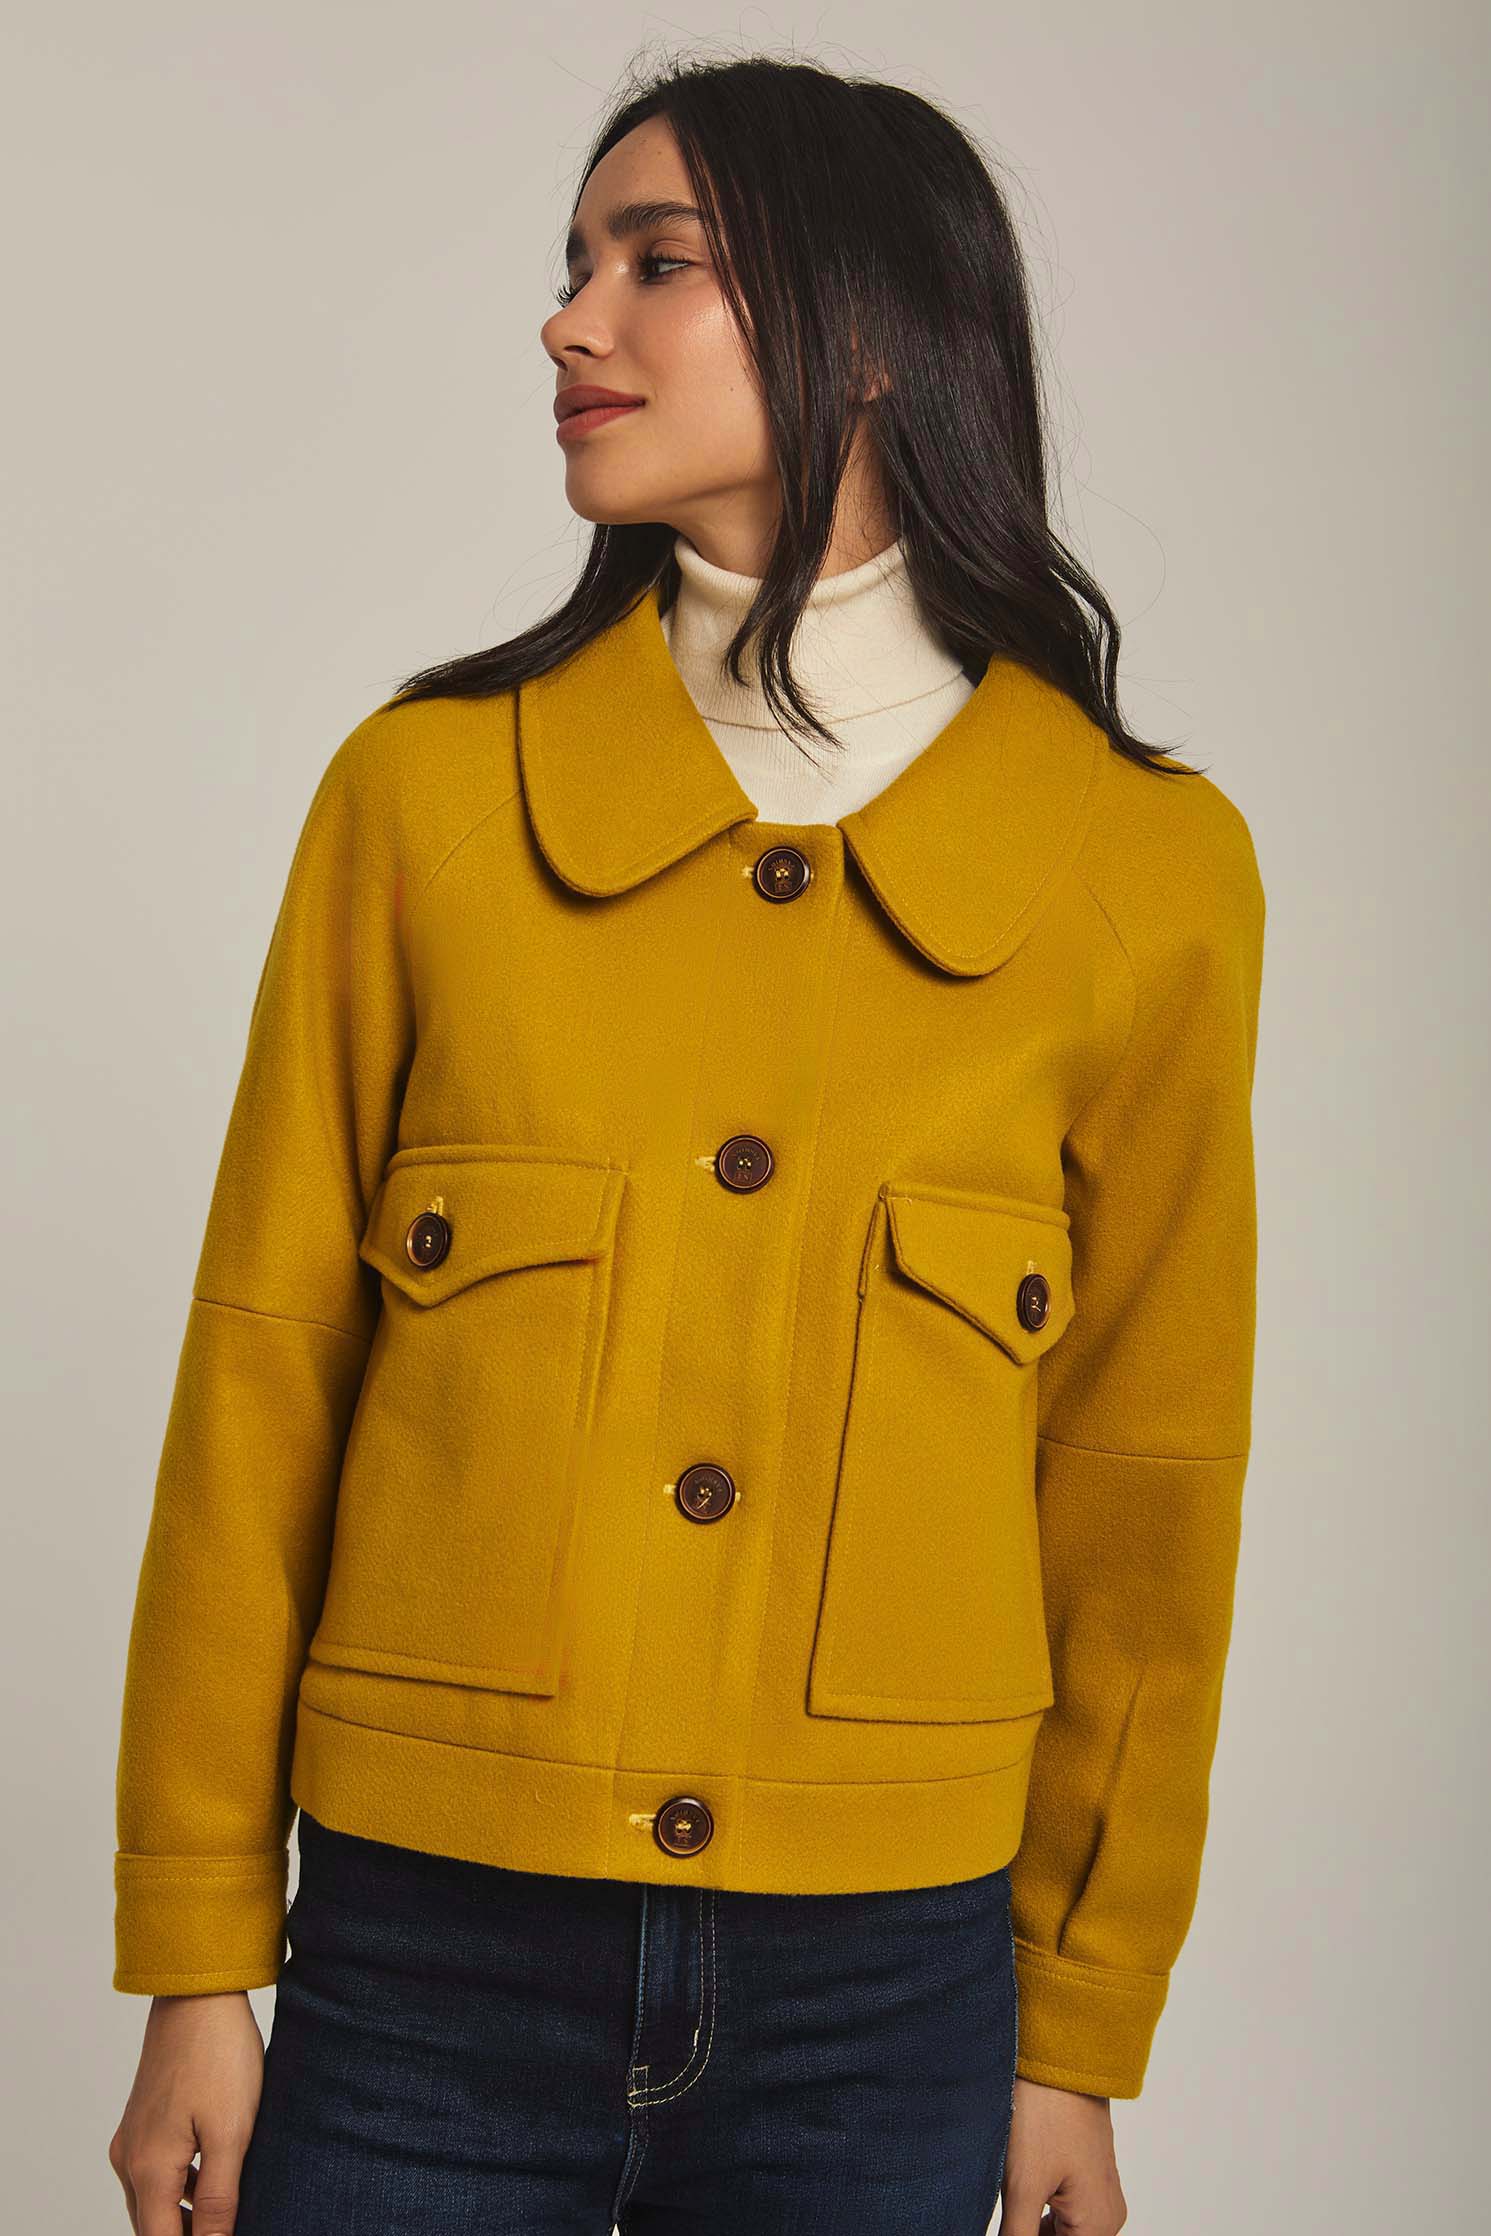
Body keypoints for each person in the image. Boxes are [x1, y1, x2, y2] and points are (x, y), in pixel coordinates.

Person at [106, 49, 1265, 2236]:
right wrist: (194, 1953)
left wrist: (1076, 2032)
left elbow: (1146, 1489)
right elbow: (257, 1388)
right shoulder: (423, 802)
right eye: (575, 264)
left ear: (876, 325)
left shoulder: (1141, 872)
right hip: (423, 1953)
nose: (570, 320)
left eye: (658, 262)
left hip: (889, 1996)